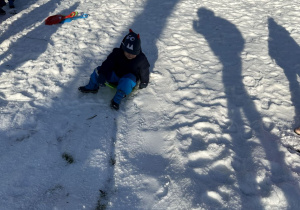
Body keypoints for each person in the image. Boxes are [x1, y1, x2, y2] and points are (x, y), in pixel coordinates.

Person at [78, 29, 150, 110]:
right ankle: (92, 86)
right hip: (115, 75)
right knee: (98, 70)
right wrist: (102, 74)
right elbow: (108, 63)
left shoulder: (141, 59)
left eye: (133, 53)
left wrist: (144, 81)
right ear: (123, 48)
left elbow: (145, 70)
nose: (130, 55)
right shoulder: (117, 53)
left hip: (127, 79)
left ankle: (117, 99)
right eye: (127, 52)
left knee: (129, 80)